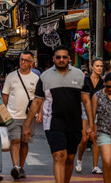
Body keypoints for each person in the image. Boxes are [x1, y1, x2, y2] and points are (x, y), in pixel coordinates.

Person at [24, 46, 93, 183]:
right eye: (58, 57)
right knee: (59, 156)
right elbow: (37, 102)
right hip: (53, 122)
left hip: (74, 123)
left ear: (69, 58)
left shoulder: (79, 75)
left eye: (64, 57)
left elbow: (86, 100)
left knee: (70, 158)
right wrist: (27, 125)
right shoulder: (45, 77)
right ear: (53, 59)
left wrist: (91, 124)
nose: (61, 60)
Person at [2, 51, 41, 180]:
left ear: (31, 63)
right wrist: (3, 114)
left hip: (29, 117)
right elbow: (5, 96)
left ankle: (22, 166)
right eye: (21, 59)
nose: (22, 62)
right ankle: (15, 167)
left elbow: (39, 98)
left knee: (24, 142)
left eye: (25, 60)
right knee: (15, 140)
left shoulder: (35, 79)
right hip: (12, 115)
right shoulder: (11, 77)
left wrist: (40, 112)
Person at [77, 57, 105, 175]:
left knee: (95, 138)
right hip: (84, 109)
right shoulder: (84, 79)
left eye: (101, 66)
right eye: (97, 66)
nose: (99, 68)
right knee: (84, 139)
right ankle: (79, 160)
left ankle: (95, 166)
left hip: (97, 110)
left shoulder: (103, 82)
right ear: (92, 67)